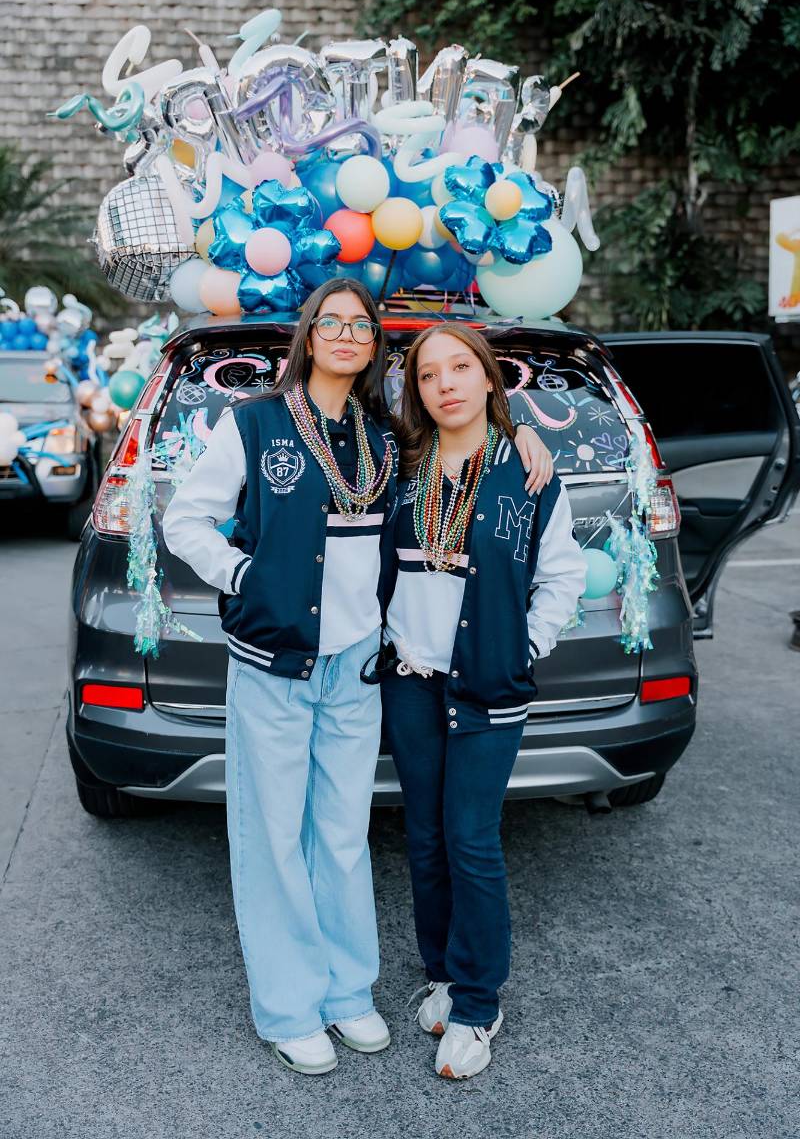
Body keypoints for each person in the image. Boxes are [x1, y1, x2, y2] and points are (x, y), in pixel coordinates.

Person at [162, 279, 553, 1075]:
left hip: (358, 665)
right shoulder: (256, 423)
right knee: (272, 836)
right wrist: (243, 577)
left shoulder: (383, 437)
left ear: (376, 346)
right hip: (275, 660)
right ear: (308, 335)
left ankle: (347, 992)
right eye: (331, 322)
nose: (346, 334)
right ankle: (288, 1004)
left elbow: (471, 453)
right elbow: (184, 519)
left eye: (361, 326)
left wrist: (526, 441)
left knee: (341, 834)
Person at [374, 321, 586, 1080]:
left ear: (488, 378)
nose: (446, 385)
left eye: (461, 368)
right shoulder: (399, 464)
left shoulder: (525, 471)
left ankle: (476, 1002)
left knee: (470, 838)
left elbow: (563, 576)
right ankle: (441, 971)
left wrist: (522, 647)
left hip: (488, 685)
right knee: (424, 837)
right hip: (410, 679)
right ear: (417, 391)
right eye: (429, 375)